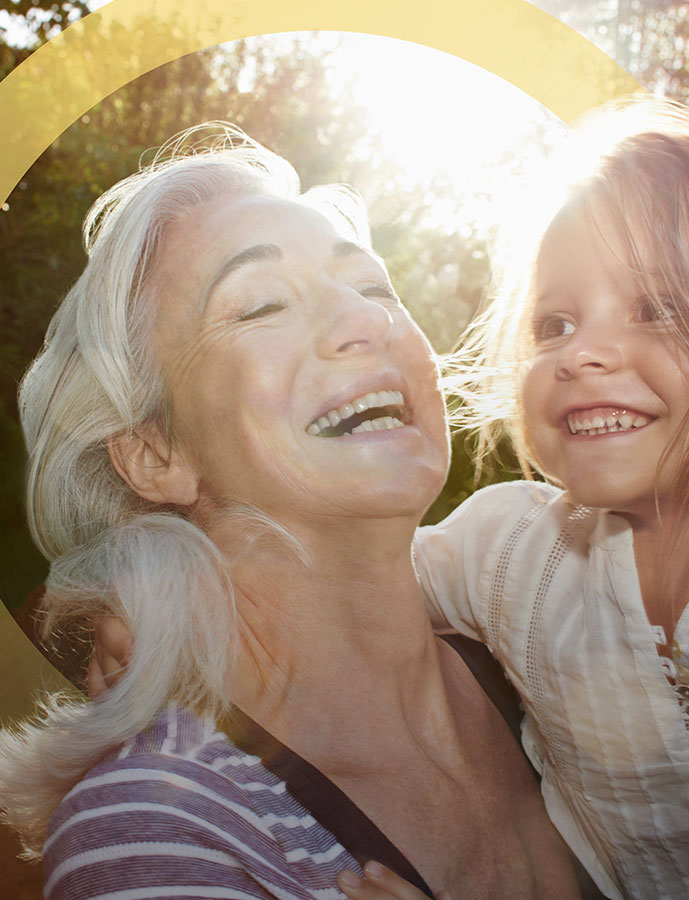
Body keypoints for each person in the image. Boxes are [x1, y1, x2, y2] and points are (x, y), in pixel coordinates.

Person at [0, 126, 589, 899]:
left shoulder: (563, 649)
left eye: (374, 287)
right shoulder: (154, 827)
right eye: (262, 304)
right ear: (155, 452)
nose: (366, 320)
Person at [404, 100, 689, 899]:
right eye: (555, 322)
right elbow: (335, 592)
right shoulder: (513, 548)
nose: (581, 353)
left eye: (658, 309)